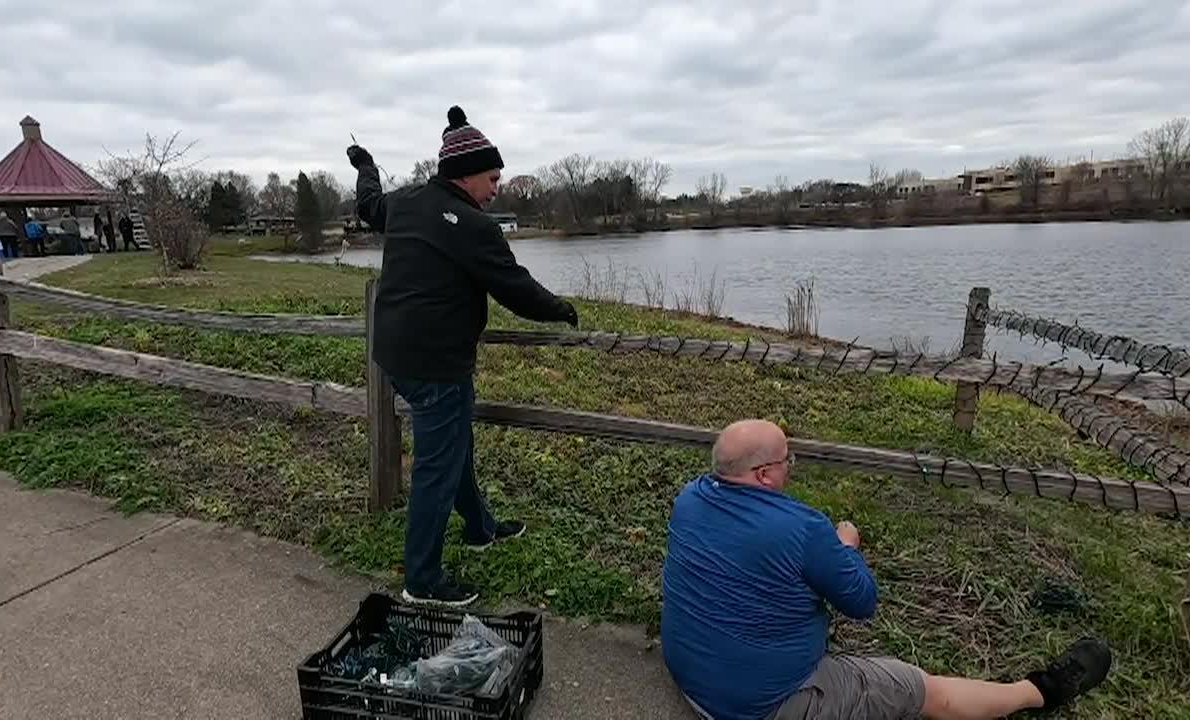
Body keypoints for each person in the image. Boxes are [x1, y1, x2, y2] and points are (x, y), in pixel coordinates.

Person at [660, 419, 1113, 720]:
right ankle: (1043, 691)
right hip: (761, 706)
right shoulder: (803, 528)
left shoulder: (689, 498)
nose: (790, 470)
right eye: (787, 462)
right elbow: (862, 601)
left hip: (691, 678)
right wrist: (847, 546)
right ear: (763, 474)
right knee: (923, 691)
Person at [348, 105, 578, 606]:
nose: (497, 188)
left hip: (395, 355)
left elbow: (368, 205)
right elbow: (515, 288)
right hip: (436, 363)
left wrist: (365, 165)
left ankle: (479, 528)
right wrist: (561, 309)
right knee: (437, 467)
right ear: (466, 174)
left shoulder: (405, 201)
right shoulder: (474, 226)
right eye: (492, 178)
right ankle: (422, 580)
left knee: (455, 447)